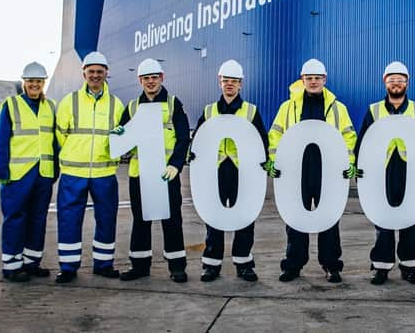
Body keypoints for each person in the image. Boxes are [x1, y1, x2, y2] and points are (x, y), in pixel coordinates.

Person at [265, 58, 358, 283]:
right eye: (309, 78)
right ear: (302, 80)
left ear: (324, 80)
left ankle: (331, 265)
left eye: (317, 78)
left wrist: (348, 162)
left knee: (329, 218)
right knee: (296, 219)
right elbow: (275, 134)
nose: (313, 82)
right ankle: (293, 265)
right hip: (297, 172)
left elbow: (349, 136)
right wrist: (275, 161)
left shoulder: (338, 108)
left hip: (327, 173)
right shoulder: (288, 108)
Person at [354, 61, 415, 286]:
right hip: (381, 171)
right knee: (382, 218)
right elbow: (362, 140)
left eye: (400, 80)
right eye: (392, 80)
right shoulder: (374, 110)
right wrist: (359, 166)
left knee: (410, 218)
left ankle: (410, 267)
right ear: (385, 83)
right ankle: (381, 267)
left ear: (407, 83)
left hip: (410, 170)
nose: (396, 84)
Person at [114, 59, 190, 283]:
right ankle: (139, 266)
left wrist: (175, 165)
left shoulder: (174, 104)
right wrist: (118, 133)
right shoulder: (132, 107)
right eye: (146, 78)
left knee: (172, 220)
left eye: (154, 77)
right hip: (140, 175)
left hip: (167, 174)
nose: (150, 82)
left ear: (162, 78)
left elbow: (183, 137)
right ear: (140, 81)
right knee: (140, 220)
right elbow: (123, 140)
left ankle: (177, 267)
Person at [193, 60, 268, 282]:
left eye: (234, 82)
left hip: (242, 173)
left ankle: (243, 264)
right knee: (214, 218)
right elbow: (198, 139)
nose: (230, 85)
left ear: (241, 84)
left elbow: (261, 141)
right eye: (226, 81)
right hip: (215, 172)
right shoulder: (209, 111)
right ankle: (212, 265)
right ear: (219, 82)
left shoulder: (250, 111)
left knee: (244, 218)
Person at [54, 52, 124, 283]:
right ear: (84, 73)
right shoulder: (69, 101)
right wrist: (76, 153)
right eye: (91, 71)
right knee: (68, 219)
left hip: (104, 173)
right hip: (74, 173)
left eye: (100, 71)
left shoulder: (116, 104)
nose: (95, 75)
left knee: (106, 219)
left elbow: (121, 137)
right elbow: (60, 134)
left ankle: (104, 264)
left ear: (106, 74)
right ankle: (68, 267)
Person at [0, 62, 58, 282]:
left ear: (43, 83)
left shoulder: (50, 107)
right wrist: (2, 171)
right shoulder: (11, 105)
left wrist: (55, 170)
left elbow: (55, 141)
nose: (34, 85)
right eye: (31, 81)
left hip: (43, 173)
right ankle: (12, 265)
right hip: (18, 174)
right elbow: (1, 141)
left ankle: (32, 262)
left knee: (38, 218)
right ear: (24, 82)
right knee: (15, 218)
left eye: (38, 81)